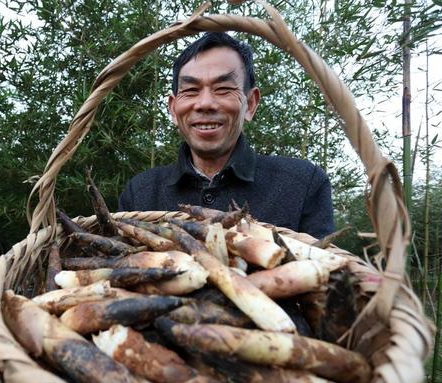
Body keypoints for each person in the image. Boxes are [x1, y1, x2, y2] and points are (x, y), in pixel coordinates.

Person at [118, 32, 335, 239]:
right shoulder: (139, 194)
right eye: (191, 90)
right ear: (173, 109)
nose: (205, 104)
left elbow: (329, 270)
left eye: (223, 89)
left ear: (250, 104)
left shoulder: (303, 184)